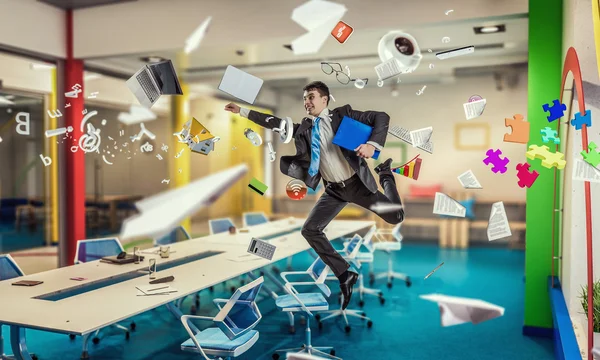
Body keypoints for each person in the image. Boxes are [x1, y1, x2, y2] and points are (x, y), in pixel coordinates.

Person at [224, 81, 404, 309]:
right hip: (333, 190)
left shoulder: (344, 115)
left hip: (357, 185)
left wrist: (371, 144)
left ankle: (385, 174)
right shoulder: (304, 129)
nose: (306, 102)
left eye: (310, 97)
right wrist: (242, 111)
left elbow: (382, 117)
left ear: (324, 100)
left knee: (396, 217)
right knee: (309, 229)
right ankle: (344, 274)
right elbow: (274, 123)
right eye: (304, 99)